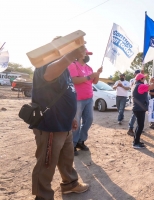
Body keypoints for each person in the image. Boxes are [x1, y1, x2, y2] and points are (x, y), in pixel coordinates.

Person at [31, 38, 88, 200]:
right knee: (46, 163)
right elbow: (49, 74)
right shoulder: (45, 64)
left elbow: (65, 93)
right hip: (50, 124)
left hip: (64, 123)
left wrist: (72, 117)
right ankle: (43, 196)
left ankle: (70, 184)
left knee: (66, 158)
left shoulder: (64, 69)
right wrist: (70, 56)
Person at [68, 50, 102, 156]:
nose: (87, 56)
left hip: (89, 98)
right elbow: (74, 80)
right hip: (77, 98)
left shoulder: (89, 68)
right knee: (76, 122)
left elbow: (94, 82)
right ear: (80, 55)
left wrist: (97, 73)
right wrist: (89, 77)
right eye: (86, 54)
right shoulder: (73, 65)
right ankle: (72, 145)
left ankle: (80, 141)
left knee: (89, 119)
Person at [132, 73, 154, 148]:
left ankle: (136, 141)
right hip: (139, 108)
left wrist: (152, 82)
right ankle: (135, 143)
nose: (144, 79)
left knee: (139, 126)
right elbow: (151, 87)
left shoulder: (137, 85)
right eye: (143, 78)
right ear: (141, 79)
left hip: (137, 108)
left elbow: (149, 86)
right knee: (140, 126)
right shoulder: (140, 85)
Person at [127, 70, 141, 136]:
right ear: (135, 74)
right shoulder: (132, 80)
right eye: (137, 73)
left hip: (141, 99)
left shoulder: (143, 79)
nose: (138, 74)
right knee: (134, 114)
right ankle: (130, 128)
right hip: (135, 99)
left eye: (139, 73)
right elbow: (132, 86)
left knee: (140, 115)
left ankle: (138, 129)